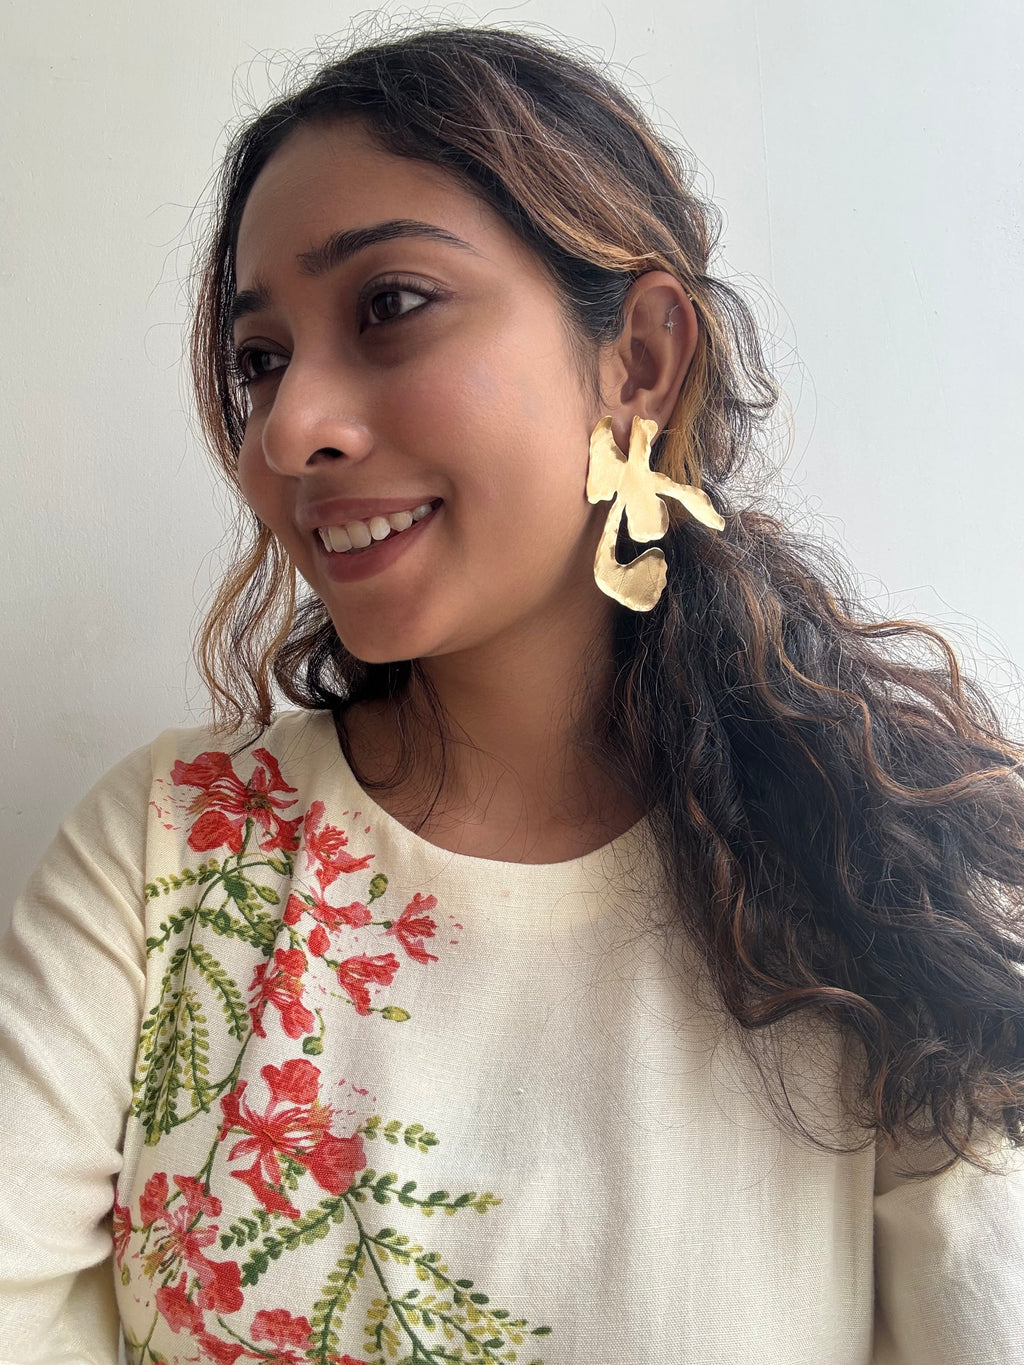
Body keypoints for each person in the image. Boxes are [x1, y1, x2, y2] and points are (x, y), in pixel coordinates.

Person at [2, 22, 1023, 1365]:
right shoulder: (166, 853)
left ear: (640, 361)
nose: (289, 427)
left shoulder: (892, 875)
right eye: (260, 358)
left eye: (391, 304)